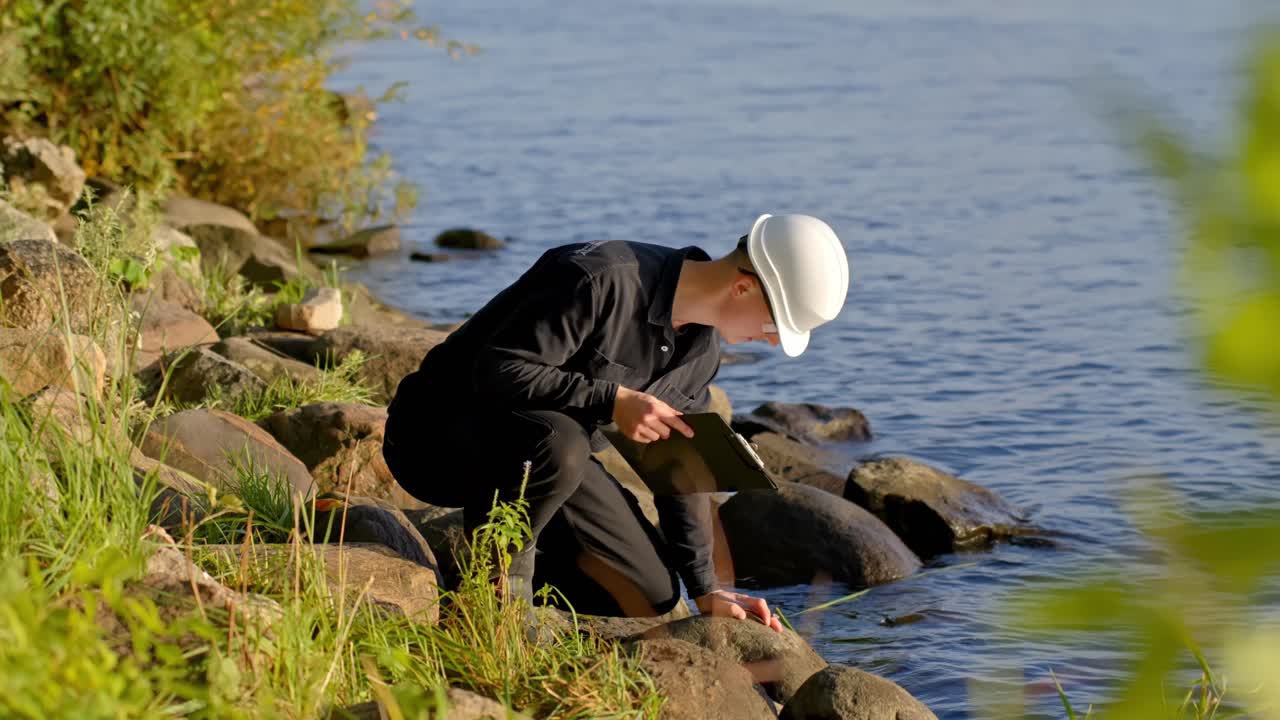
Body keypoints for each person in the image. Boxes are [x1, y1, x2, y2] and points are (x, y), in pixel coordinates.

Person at [382, 213, 850, 631]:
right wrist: (612, 401)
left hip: (542, 463)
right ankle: (492, 603)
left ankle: (468, 559)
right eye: (775, 326)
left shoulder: (701, 354)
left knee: (647, 593)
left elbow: (677, 462)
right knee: (561, 441)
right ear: (744, 286)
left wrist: (706, 589)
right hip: (437, 435)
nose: (770, 342)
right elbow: (498, 369)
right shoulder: (598, 278)